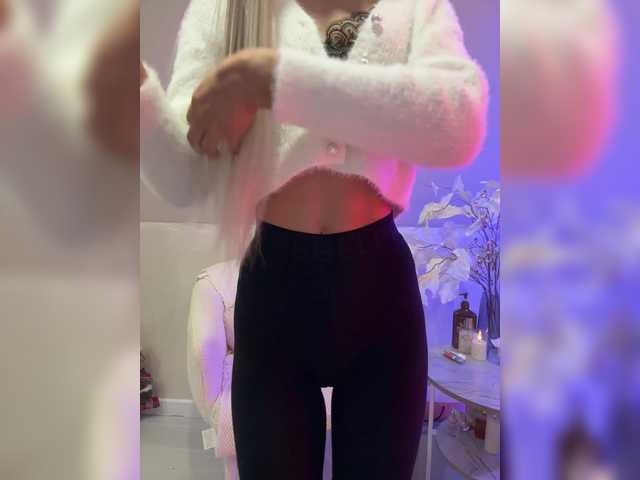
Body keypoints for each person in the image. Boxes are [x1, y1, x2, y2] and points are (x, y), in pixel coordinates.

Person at [140, 0, 488, 478]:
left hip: (380, 296)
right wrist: (136, 99)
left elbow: (460, 123)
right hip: (273, 295)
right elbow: (185, 176)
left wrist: (274, 81)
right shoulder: (227, 8)